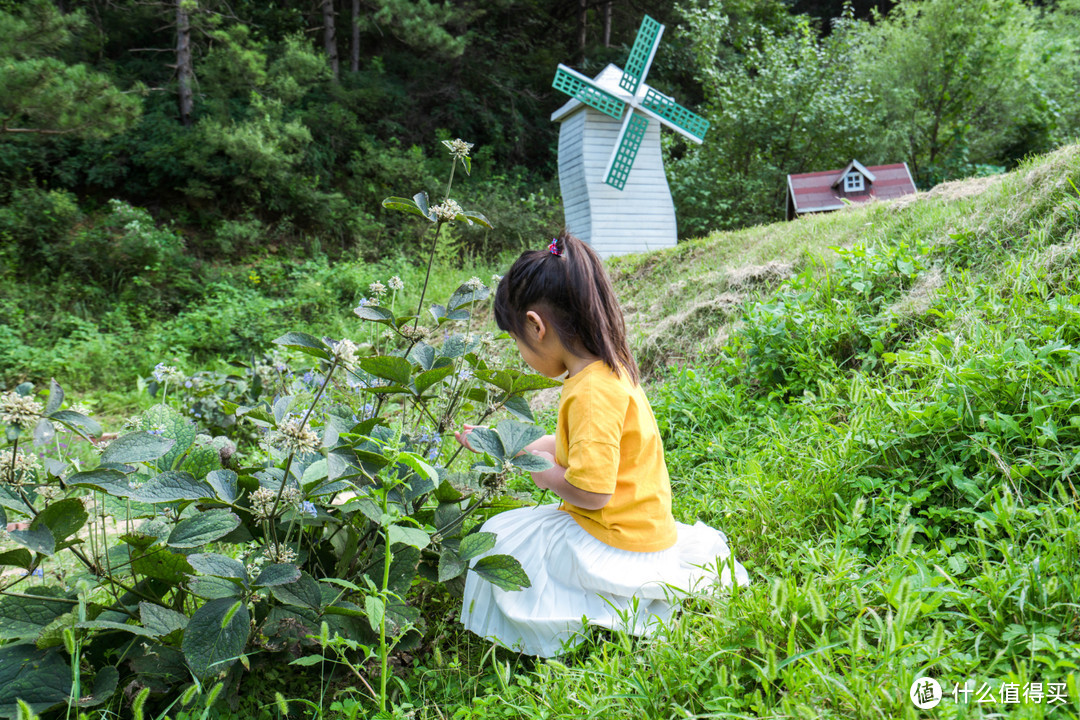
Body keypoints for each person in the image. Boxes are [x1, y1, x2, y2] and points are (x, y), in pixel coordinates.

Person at [454, 230, 749, 658]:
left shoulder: (591, 391)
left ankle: (587, 619)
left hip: (615, 538)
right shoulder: (604, 371)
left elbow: (592, 493)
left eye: (516, 341)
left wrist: (536, 470)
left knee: (499, 537)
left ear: (536, 327)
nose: (519, 351)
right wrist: (506, 446)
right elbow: (575, 444)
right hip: (638, 527)